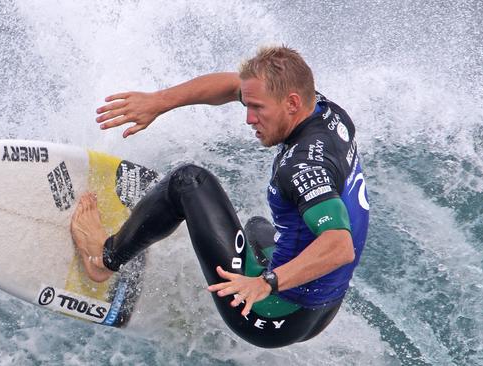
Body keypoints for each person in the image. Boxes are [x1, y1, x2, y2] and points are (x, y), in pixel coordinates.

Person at [70, 46, 369, 348]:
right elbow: (230, 86)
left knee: (189, 181)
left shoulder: (302, 167)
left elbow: (339, 247)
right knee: (255, 227)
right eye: (247, 106)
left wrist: (266, 283)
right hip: (322, 308)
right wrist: (158, 103)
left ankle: (105, 259)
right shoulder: (324, 110)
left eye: (257, 109)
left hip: (270, 318)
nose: (249, 119)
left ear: (291, 103)